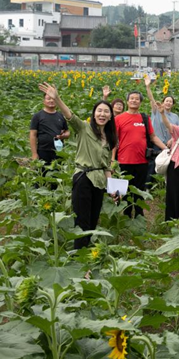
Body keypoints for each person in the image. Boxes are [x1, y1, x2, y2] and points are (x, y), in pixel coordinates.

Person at [38, 83, 118, 249]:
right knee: (81, 222)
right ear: (94, 114)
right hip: (83, 178)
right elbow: (70, 116)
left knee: (93, 221)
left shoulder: (109, 139)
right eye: (99, 111)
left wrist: (111, 188)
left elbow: (106, 168)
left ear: (110, 116)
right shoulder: (84, 128)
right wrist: (57, 98)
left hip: (99, 182)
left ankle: (85, 258)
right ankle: (80, 260)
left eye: (106, 112)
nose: (102, 114)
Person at [114, 90, 167, 218]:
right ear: (127, 101)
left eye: (137, 99)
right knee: (124, 191)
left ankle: (139, 214)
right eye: (131, 98)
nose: (134, 100)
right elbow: (114, 141)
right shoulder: (118, 119)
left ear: (140, 102)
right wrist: (112, 159)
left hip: (142, 161)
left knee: (139, 190)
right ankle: (126, 215)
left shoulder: (144, 118)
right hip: (124, 161)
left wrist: (166, 149)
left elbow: (153, 137)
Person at [145, 75, 179, 177]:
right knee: (153, 166)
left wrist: (172, 140)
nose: (168, 103)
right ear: (163, 103)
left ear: (173, 104)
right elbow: (151, 99)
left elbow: (178, 132)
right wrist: (148, 87)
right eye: (167, 101)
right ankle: (149, 187)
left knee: (167, 166)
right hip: (157, 143)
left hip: (170, 145)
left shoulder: (175, 116)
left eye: (171, 102)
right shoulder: (157, 111)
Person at [30, 91, 70, 167]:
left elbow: (67, 131)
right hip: (43, 151)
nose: (51, 101)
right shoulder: (38, 116)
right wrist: (34, 153)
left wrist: (63, 136)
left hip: (59, 151)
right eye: (48, 99)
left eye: (53, 99)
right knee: (43, 175)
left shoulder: (60, 116)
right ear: (43, 101)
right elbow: (33, 135)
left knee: (58, 174)